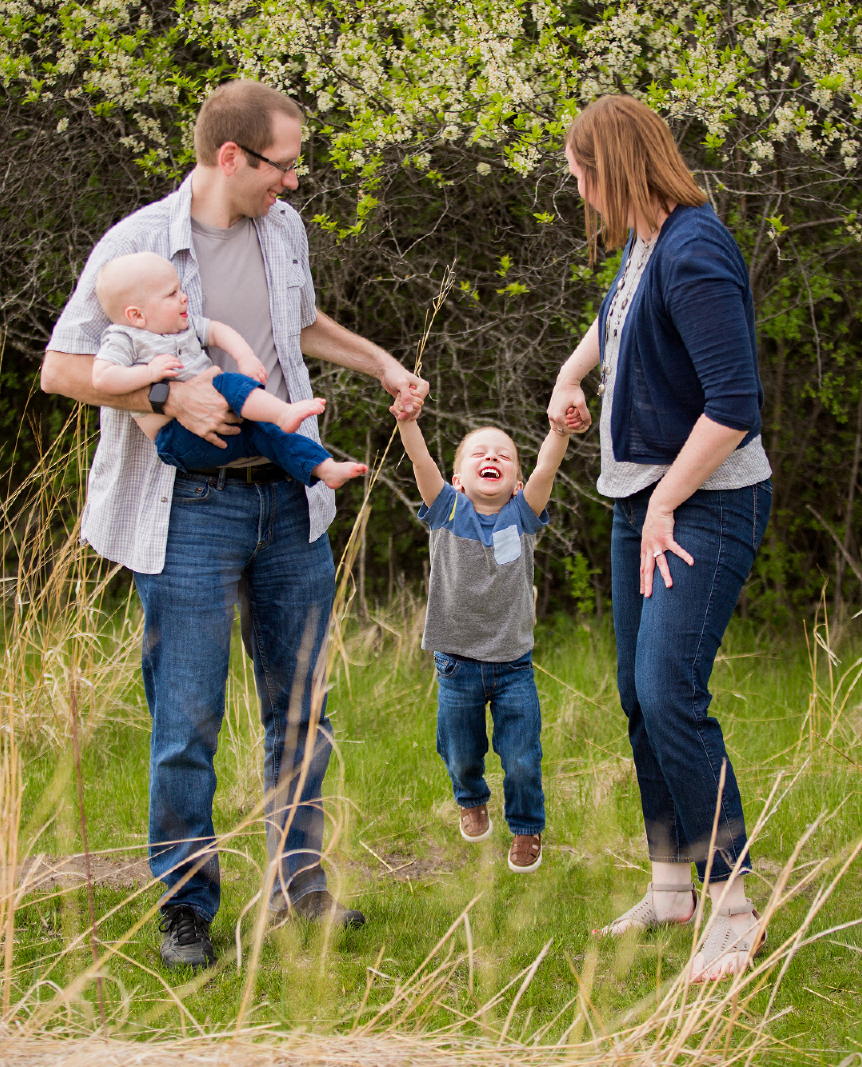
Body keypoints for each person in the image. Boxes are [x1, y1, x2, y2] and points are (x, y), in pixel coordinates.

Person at [41, 80, 428, 970]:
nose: (293, 181)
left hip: (288, 499)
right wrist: (164, 395)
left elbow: (302, 323)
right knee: (187, 720)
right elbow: (62, 367)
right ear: (231, 157)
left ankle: (301, 891)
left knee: (302, 711)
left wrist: (380, 362)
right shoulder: (137, 244)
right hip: (189, 511)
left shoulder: (281, 229)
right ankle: (186, 908)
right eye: (282, 165)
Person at [544, 95, 774, 983]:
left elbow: (734, 405)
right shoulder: (646, 244)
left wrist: (669, 502)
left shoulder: (694, 247)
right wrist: (572, 373)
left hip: (705, 503)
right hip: (641, 499)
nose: (580, 193)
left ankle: (734, 908)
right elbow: (618, 317)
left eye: (581, 176)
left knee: (669, 690)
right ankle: (672, 888)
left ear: (613, 168)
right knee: (639, 699)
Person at [396, 413, 572, 873]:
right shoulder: (448, 509)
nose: (491, 458)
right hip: (457, 665)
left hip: (513, 665)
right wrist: (408, 421)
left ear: (517, 484)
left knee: (522, 758)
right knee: (460, 754)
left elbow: (547, 469)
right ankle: (471, 800)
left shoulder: (522, 514)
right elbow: (420, 461)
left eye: (503, 456)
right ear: (457, 479)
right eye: (479, 453)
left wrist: (558, 432)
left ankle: (527, 827)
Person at [91, 251, 368, 488]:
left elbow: (217, 331)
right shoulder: (124, 338)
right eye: (172, 294)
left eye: (180, 289)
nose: (184, 298)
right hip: (177, 438)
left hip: (219, 431)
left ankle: (324, 468)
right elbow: (102, 378)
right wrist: (149, 374)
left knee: (266, 433)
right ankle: (283, 412)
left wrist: (245, 356)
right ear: (136, 315)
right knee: (226, 382)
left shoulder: (183, 325)